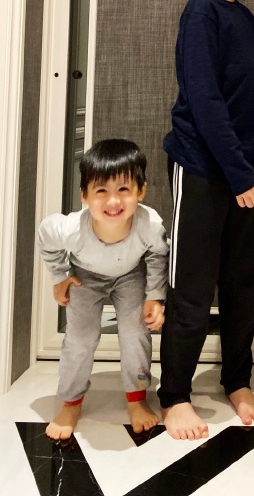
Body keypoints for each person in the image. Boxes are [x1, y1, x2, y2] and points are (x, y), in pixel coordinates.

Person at [159, 0, 254, 440]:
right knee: (192, 284)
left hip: (245, 169)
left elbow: (250, 86)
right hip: (203, 167)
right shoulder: (200, 12)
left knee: (244, 280)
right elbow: (204, 101)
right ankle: (175, 396)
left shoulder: (242, 17)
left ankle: (237, 381)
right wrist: (238, 173)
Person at [37, 138, 168, 440]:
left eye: (123, 190)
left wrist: (155, 296)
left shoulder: (149, 224)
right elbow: (45, 237)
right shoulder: (70, 228)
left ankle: (136, 397)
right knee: (80, 338)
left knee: (135, 331)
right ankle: (71, 402)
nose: (113, 202)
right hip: (85, 277)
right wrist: (60, 276)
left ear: (141, 191)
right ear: (84, 195)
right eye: (101, 191)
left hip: (130, 274)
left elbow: (158, 255)